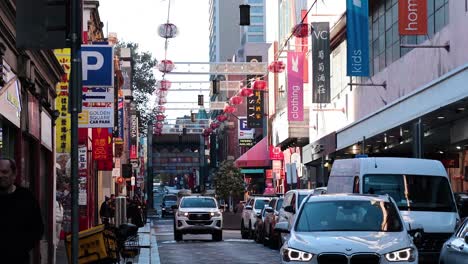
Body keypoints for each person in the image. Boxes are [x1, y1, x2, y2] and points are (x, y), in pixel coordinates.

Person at [0, 157, 44, 263]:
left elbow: (38, 228)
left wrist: (21, 248)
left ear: (14, 174)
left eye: (5, 172)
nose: (0, 175)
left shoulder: (26, 197)